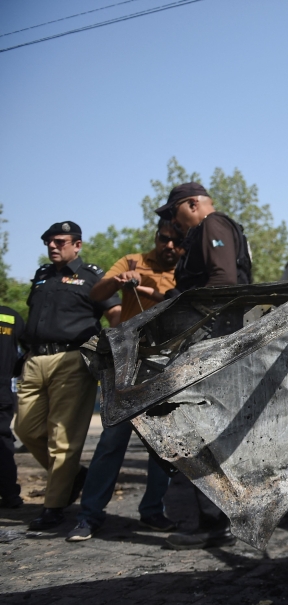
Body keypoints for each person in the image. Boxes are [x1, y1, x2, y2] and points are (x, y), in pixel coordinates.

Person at [65, 219, 184, 542]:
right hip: (128, 363)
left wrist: (148, 288)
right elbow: (96, 294)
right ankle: (89, 515)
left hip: (167, 366)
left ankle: (153, 512)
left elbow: (181, 301)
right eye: (164, 239)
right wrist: (120, 280)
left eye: (176, 241)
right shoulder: (133, 261)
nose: (169, 246)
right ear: (156, 237)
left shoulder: (186, 270)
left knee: (162, 444)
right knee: (111, 440)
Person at [155, 182, 251, 549]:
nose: (173, 224)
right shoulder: (218, 228)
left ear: (192, 204)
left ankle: (215, 523)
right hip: (215, 343)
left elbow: (223, 283)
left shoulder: (212, 225)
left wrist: (178, 311)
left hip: (210, 344)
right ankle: (217, 520)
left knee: (199, 433)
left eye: (173, 214)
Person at [15, 221, 122, 530]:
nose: (52, 246)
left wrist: (112, 350)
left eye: (60, 241)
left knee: (62, 439)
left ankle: (54, 506)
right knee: (27, 429)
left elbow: (114, 313)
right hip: (35, 360)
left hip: (72, 359)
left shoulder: (91, 276)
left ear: (77, 245)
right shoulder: (42, 275)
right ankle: (74, 476)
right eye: (49, 241)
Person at [0, 306, 25, 509]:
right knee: (3, 440)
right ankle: (9, 494)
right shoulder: (10, 316)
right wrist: (13, 371)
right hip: (3, 390)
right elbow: (28, 349)